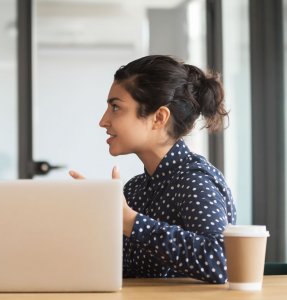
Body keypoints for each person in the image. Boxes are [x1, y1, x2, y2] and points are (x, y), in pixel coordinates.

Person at [69, 55, 237, 284]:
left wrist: (130, 221)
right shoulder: (135, 189)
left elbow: (221, 262)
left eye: (116, 107)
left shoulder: (194, 180)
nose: (103, 121)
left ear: (159, 117)